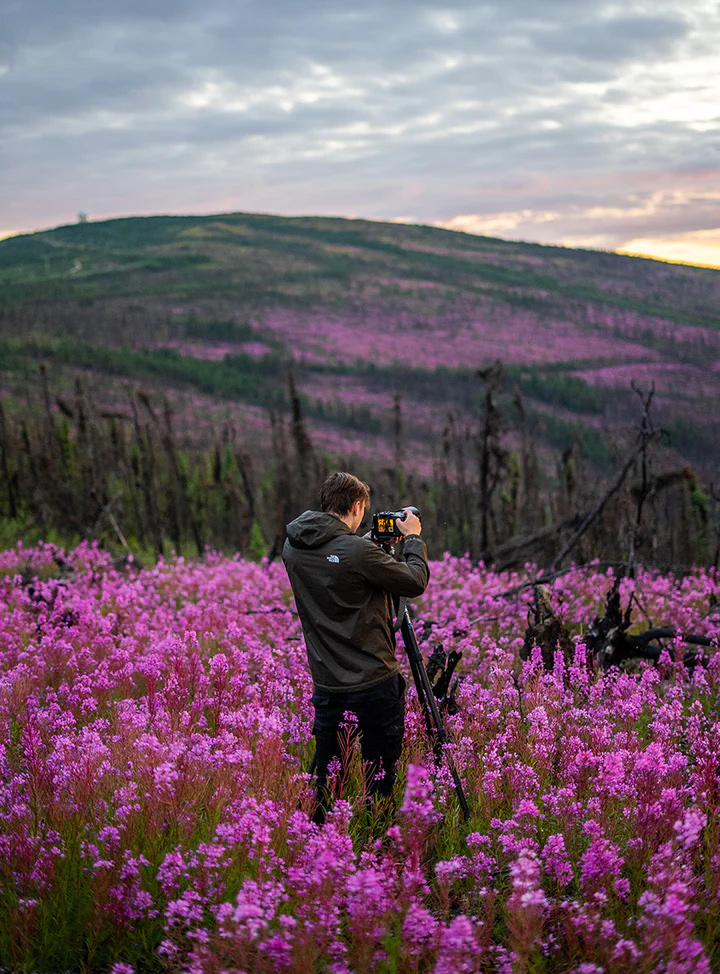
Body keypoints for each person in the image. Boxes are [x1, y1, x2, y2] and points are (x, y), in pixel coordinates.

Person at [282, 471, 429, 822]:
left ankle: (314, 845)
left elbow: (340, 564)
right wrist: (412, 541)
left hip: (328, 687)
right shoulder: (357, 551)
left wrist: (368, 544)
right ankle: (377, 843)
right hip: (374, 684)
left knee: (327, 779)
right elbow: (414, 580)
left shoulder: (293, 547)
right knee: (379, 776)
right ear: (358, 506)